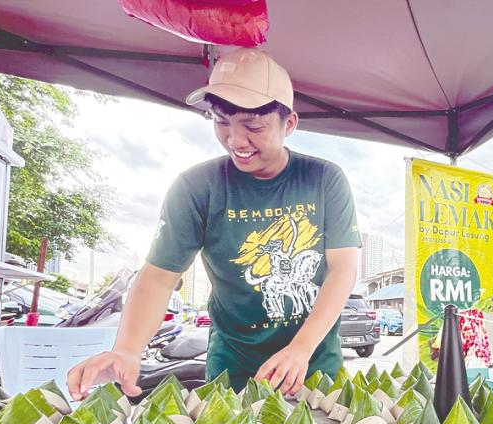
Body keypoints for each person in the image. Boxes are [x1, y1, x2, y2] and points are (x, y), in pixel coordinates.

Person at [67, 48, 360, 399]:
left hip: (312, 363)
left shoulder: (324, 179)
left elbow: (342, 269)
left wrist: (301, 348)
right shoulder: (197, 187)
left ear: (290, 123)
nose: (236, 141)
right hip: (233, 367)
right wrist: (127, 349)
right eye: (221, 122)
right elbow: (159, 276)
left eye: (253, 126)